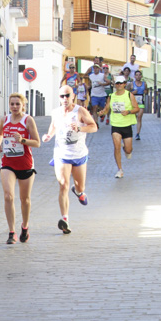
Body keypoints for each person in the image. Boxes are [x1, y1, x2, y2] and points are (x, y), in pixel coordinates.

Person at [43, 85, 98, 235]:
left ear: (73, 96)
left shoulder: (80, 111)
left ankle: (79, 192)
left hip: (79, 155)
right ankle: (65, 220)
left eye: (67, 95)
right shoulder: (56, 112)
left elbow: (94, 127)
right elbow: (53, 126)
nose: (65, 99)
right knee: (63, 185)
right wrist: (49, 136)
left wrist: (80, 128)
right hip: (61, 154)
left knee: (80, 186)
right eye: (62, 96)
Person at [0, 93, 41, 244]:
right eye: (12, 104)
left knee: (25, 199)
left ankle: (25, 227)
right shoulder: (4, 119)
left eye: (17, 104)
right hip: (8, 162)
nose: (14, 107)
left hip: (25, 163)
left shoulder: (28, 120)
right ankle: (11, 232)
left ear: (23, 106)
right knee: (8, 196)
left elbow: (37, 142)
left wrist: (22, 140)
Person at [99, 75, 139, 179]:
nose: (119, 85)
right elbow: (107, 109)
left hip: (126, 125)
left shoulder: (129, 95)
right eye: (117, 83)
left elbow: (136, 108)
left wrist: (128, 111)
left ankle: (126, 149)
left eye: (121, 83)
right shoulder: (111, 96)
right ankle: (120, 170)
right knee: (116, 147)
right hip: (116, 125)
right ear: (115, 85)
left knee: (128, 150)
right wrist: (102, 112)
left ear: (125, 84)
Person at [130, 70, 147, 140]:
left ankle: (137, 133)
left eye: (139, 75)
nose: (138, 76)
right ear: (134, 76)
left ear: (141, 76)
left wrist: (146, 92)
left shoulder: (144, 84)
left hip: (141, 102)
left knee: (139, 117)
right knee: (134, 116)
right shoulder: (131, 84)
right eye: (136, 75)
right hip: (133, 103)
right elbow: (127, 93)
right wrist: (133, 92)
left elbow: (146, 91)